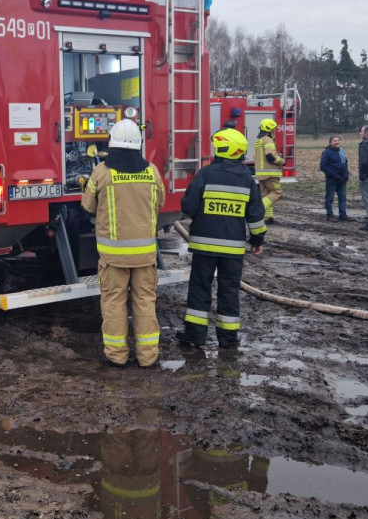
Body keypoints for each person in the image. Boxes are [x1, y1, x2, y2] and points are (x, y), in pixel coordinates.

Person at [81, 119, 166, 368]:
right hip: (145, 256)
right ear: (138, 145)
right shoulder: (152, 171)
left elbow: (87, 206)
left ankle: (117, 356)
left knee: (114, 303)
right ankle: (147, 357)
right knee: (145, 303)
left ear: (113, 144)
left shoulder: (101, 172)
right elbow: (159, 202)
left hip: (113, 257)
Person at [177, 128, 267, 350]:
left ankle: (195, 336)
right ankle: (227, 340)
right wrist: (257, 241)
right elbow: (256, 215)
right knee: (229, 290)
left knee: (199, 288)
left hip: (203, 246)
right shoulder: (247, 179)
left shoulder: (206, 174)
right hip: (233, 250)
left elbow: (188, 206)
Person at [253, 118, 284, 223]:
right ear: (270, 128)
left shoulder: (259, 140)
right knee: (277, 192)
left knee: (266, 194)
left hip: (260, 173)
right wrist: (281, 161)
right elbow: (270, 157)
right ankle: (260, 209)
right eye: (273, 129)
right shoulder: (268, 139)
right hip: (269, 173)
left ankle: (268, 218)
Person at [318, 135, 350, 221]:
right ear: (330, 142)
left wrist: (346, 174)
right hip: (332, 180)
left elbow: (345, 163)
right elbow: (323, 166)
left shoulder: (341, 151)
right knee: (330, 198)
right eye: (334, 141)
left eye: (338, 140)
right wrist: (334, 175)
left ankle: (342, 215)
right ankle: (329, 215)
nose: (337, 142)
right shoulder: (326, 152)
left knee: (342, 198)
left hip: (342, 180)